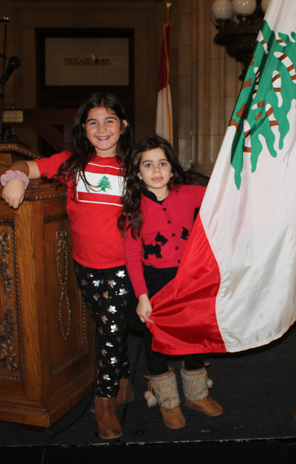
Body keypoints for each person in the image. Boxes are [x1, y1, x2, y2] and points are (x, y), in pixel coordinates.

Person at [1, 93, 136, 440]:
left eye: (109, 120)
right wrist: (13, 178)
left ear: (122, 126)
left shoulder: (135, 165)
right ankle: (123, 381)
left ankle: (104, 402)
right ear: (84, 129)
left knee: (107, 332)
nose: (101, 128)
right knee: (110, 329)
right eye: (93, 121)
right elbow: (26, 167)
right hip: (85, 266)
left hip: (123, 267)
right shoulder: (71, 163)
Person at [118, 135, 222, 430]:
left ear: (172, 167)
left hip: (187, 279)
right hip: (153, 283)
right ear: (138, 173)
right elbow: (132, 254)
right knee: (156, 343)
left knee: (192, 335)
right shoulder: (134, 207)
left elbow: (223, 191)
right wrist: (141, 295)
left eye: (162, 163)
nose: (156, 170)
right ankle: (168, 401)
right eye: (148, 165)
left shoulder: (188, 193)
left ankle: (196, 394)